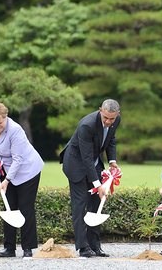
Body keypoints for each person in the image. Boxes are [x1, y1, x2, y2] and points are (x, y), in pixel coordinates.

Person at [0, 103, 44, 258]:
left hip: (27, 170)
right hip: (6, 167)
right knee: (9, 206)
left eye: (0, 123)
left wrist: (7, 180)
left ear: (6, 117)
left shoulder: (16, 131)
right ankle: (9, 248)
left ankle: (28, 248)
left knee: (25, 208)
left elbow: (18, 159)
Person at [60, 99, 121, 258]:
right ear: (100, 110)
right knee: (80, 204)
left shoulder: (116, 120)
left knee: (96, 203)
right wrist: (97, 184)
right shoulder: (87, 125)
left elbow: (110, 140)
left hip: (94, 162)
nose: (108, 121)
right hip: (76, 164)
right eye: (105, 118)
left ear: (117, 115)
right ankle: (83, 247)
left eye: (112, 119)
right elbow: (85, 158)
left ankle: (95, 246)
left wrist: (112, 161)